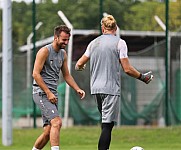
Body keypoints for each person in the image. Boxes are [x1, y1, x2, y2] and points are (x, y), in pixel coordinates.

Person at [75, 15, 153, 150]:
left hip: (95, 89)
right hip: (110, 89)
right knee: (107, 125)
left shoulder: (93, 43)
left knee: (105, 123)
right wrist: (143, 77)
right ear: (115, 28)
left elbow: (79, 64)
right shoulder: (120, 43)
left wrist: (82, 67)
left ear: (102, 28)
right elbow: (127, 69)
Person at [32, 25, 85, 150]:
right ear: (56, 38)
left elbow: (66, 75)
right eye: (64, 40)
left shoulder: (63, 54)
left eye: (67, 40)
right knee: (57, 122)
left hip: (52, 95)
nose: (66, 43)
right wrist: (48, 92)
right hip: (41, 93)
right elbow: (35, 74)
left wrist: (77, 88)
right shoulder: (44, 51)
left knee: (48, 132)